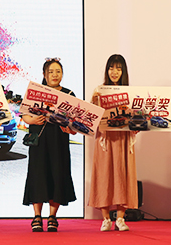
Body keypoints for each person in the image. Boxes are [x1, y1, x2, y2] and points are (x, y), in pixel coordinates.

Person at [22, 58, 76, 232]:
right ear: (44, 74)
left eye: (58, 71)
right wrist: (32, 120)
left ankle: (52, 216)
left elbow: (75, 124)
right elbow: (24, 115)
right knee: (38, 174)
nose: (55, 75)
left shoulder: (69, 94)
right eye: (51, 72)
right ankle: (37, 216)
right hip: (39, 140)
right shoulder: (35, 92)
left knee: (58, 175)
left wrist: (70, 129)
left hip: (59, 141)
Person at [88, 54, 137, 232]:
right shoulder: (99, 90)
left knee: (123, 175)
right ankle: (106, 219)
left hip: (123, 139)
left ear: (123, 71)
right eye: (111, 68)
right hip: (105, 140)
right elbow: (91, 118)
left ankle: (120, 219)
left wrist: (136, 122)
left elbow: (136, 120)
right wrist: (94, 103)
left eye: (118, 68)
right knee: (104, 175)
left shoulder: (130, 93)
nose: (114, 72)